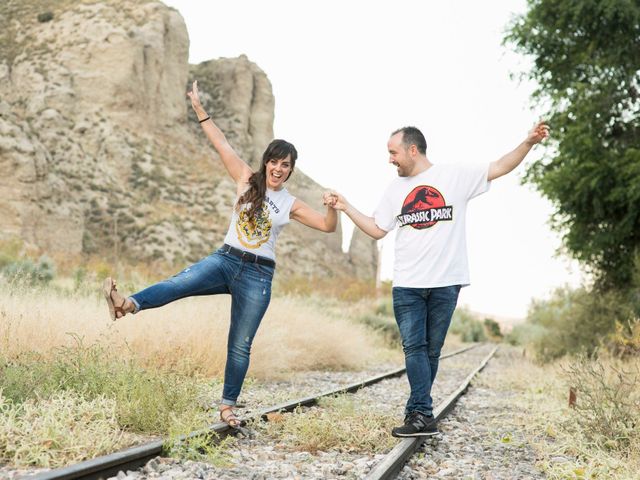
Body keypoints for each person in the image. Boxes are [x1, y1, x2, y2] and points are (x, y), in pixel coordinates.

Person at [103, 80, 338, 428]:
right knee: (179, 283)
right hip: (226, 259)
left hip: (258, 275)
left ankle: (227, 407)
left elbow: (326, 225)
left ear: (290, 170)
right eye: (274, 161)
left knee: (240, 343)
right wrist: (199, 109)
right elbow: (221, 143)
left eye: (285, 165)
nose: (278, 168)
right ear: (266, 162)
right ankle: (126, 305)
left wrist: (333, 208)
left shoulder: (291, 204)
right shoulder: (245, 179)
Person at [326, 122, 549, 437]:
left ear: (412, 150)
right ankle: (423, 414)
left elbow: (500, 166)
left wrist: (528, 142)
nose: (390, 159)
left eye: (394, 152)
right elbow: (378, 228)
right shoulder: (394, 190)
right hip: (408, 284)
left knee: (431, 351)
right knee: (414, 347)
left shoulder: (453, 176)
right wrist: (346, 207)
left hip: (447, 281)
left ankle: (417, 412)